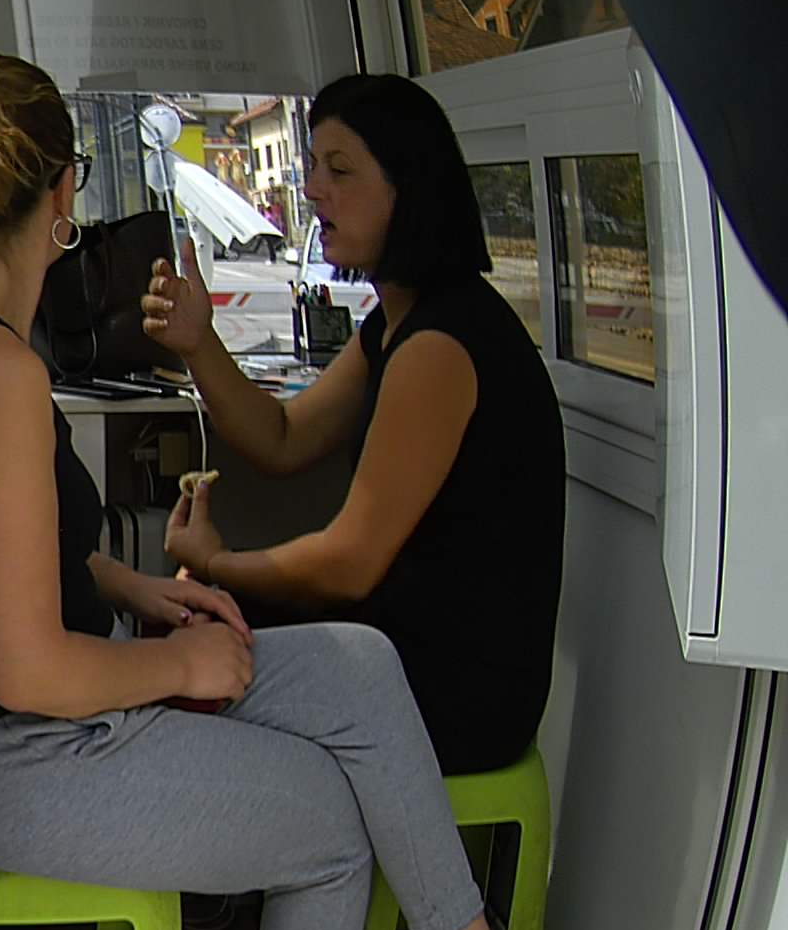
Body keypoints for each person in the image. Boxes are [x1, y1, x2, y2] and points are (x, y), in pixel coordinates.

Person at [0, 17, 599, 930]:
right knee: (328, 821)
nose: (315, 191)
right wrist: (181, 660)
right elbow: (24, 668)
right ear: (64, 195)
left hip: (31, 720)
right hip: (8, 753)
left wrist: (138, 589)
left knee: (359, 664)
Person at [145, 74, 564, 776]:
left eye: (339, 171)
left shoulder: (441, 344)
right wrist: (197, 342)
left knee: (191, 660)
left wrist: (216, 564)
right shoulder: (395, 325)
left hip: (457, 691)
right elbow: (282, 439)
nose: (313, 190)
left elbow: (349, 563)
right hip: (402, 647)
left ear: (408, 190)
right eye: (313, 167)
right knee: (196, 628)